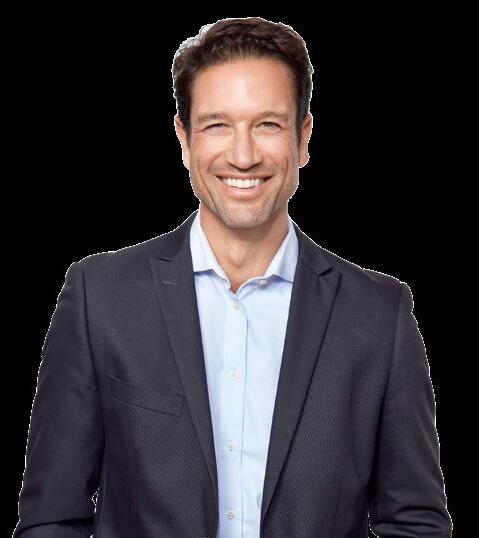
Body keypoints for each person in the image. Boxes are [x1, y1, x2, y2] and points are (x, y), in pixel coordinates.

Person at [13, 17, 452, 537]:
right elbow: (51, 519)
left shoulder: (379, 315)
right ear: (184, 138)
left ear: (303, 137)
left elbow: (415, 523)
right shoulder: (100, 298)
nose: (243, 156)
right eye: (218, 125)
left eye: (267, 124)